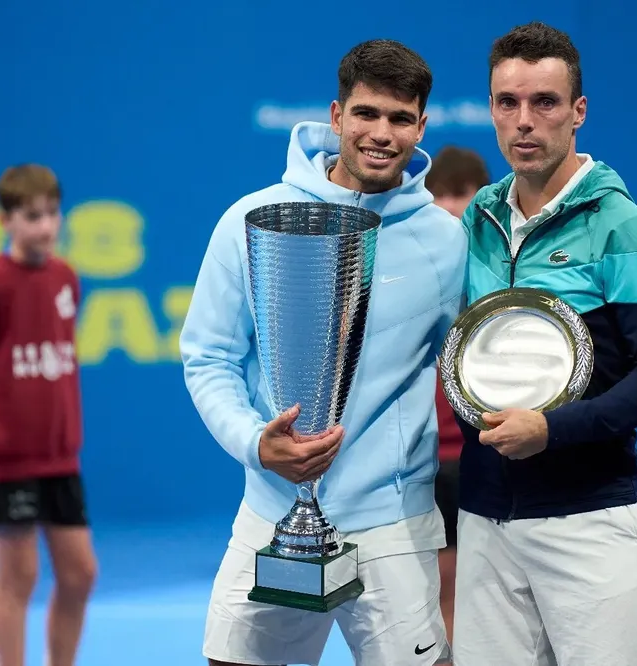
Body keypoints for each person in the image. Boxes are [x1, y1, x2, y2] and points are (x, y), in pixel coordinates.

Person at [180, 39, 466, 666]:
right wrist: (257, 444)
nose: (381, 133)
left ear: (421, 126)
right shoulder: (250, 221)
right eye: (366, 114)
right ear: (336, 117)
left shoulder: (447, 242)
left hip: (395, 523)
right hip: (272, 514)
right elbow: (209, 357)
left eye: (399, 118)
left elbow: (469, 361)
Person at [452, 22, 637, 665]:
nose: (524, 122)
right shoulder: (478, 218)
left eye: (545, 103)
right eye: (508, 103)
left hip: (587, 519)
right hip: (484, 516)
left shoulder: (624, 225)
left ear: (578, 112)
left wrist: (551, 430)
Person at [0, 164, 97, 666]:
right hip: (6, 458)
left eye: (52, 214)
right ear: (5, 220)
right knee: (17, 577)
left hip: (60, 457)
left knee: (80, 573)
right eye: (31, 216)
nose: (45, 226)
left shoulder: (66, 278)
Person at [423, 145, 490, 644]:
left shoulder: (498, 277)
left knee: (484, 594)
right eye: (438, 194)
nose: (448, 206)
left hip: (483, 454)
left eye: (461, 194)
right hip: (426, 460)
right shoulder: (413, 279)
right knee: (437, 592)